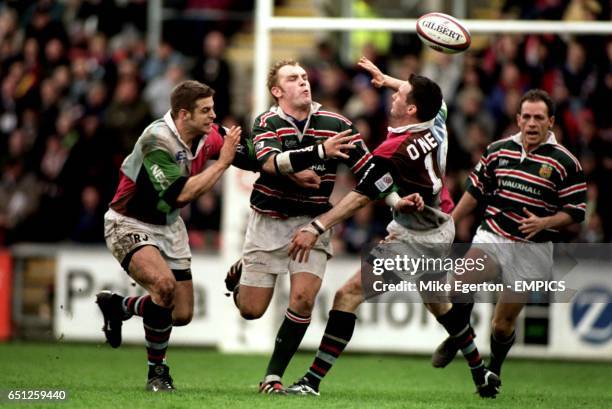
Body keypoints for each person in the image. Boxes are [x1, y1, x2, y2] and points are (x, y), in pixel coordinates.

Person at [285, 57, 501, 398]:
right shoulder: (437, 120)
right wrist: (385, 78)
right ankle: (481, 373)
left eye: (400, 95)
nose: (393, 96)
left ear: (411, 108)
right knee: (438, 302)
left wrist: (317, 225)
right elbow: (437, 100)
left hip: (416, 237)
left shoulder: (393, 150)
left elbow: (360, 197)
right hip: (441, 224)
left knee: (347, 295)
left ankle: (311, 382)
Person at [224, 59, 374, 394]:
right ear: (277, 91)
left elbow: (370, 171)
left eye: (305, 77)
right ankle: (240, 279)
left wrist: (395, 200)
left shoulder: (337, 122)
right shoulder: (266, 121)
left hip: (312, 223)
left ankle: (273, 376)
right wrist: (319, 152)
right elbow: (268, 162)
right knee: (251, 311)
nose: (303, 82)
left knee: (303, 299)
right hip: (268, 221)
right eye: (293, 79)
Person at [431, 89, 586, 387]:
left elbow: (576, 212)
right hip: (494, 237)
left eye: (538, 117)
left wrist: (546, 222)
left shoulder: (566, 162)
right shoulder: (498, 150)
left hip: (533, 250)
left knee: (501, 326)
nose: (531, 123)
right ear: (517, 119)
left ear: (550, 121)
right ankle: (459, 334)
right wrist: (449, 224)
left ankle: (495, 370)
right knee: (456, 288)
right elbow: (474, 193)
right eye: (526, 116)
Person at [96, 80, 241, 392]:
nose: (213, 116)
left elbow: (254, 156)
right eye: (206, 110)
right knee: (164, 287)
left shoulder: (209, 136)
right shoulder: (156, 140)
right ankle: (156, 373)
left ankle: (119, 307)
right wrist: (224, 164)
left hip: (170, 228)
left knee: (182, 313)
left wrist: (305, 160)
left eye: (213, 109)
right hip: (129, 223)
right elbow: (179, 194)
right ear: (183, 114)